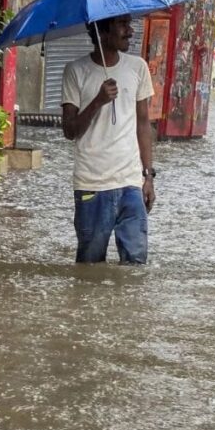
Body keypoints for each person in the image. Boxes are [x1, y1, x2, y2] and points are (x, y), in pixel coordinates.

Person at [61, 14, 155, 264]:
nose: (130, 31)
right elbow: (70, 130)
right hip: (92, 184)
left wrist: (148, 177)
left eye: (129, 24)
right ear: (102, 31)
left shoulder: (138, 67)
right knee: (89, 268)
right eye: (122, 25)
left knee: (136, 266)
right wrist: (98, 101)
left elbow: (143, 124)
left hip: (130, 184)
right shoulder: (75, 71)